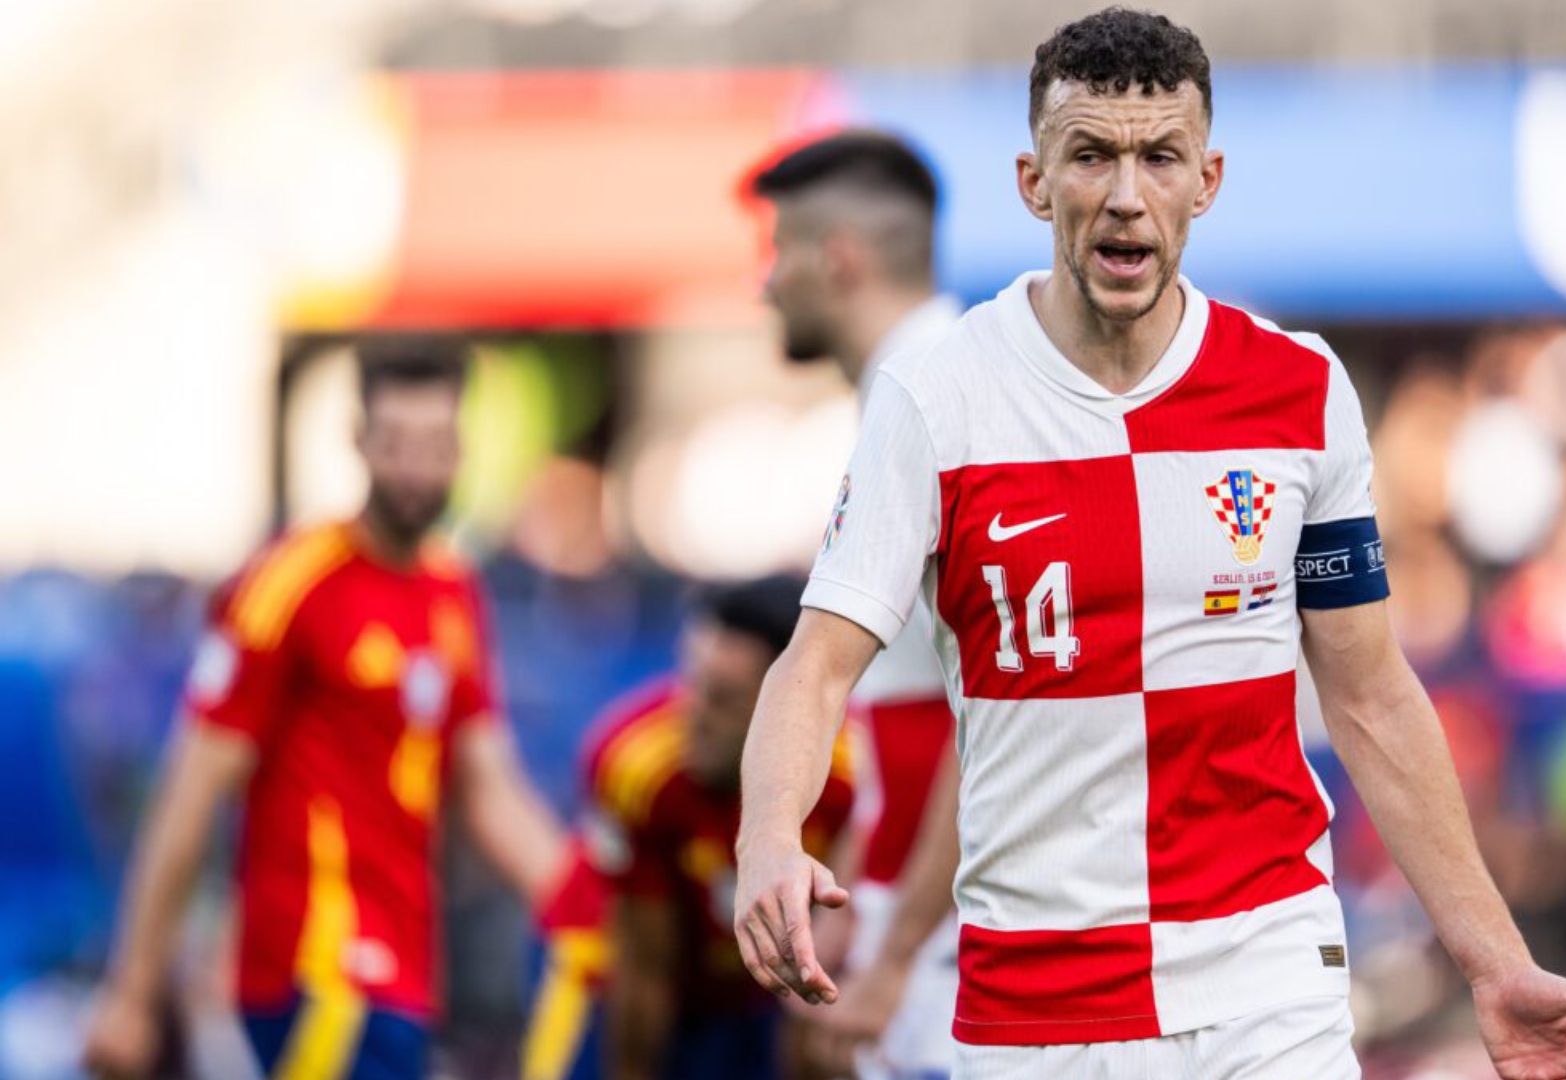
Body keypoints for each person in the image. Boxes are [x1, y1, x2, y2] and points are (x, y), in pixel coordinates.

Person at [732, 8, 1566, 1080]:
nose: (1127, 194)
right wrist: (768, 841)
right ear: (1033, 182)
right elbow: (816, 664)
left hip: (1267, 988)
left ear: (1206, 181)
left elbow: (1370, 695)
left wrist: (1495, 962)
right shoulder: (936, 397)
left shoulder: (1300, 390)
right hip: (1037, 1006)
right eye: (1091, 156)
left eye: (1160, 157)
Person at [83, 341, 567, 1080]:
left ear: (462, 448)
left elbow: (490, 788)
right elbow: (193, 787)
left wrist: (589, 906)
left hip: (407, 977)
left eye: (435, 446)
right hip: (316, 971)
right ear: (359, 441)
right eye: (396, 444)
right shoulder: (291, 583)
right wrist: (132, 992)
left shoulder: (453, 592)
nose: (416, 470)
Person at [749, 130, 964, 1080]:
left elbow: (998, 715)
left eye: (779, 250)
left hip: (960, 954)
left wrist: (900, 953)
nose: (766, 284)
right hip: (928, 930)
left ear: (838, 257)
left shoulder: (945, 400)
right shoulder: (909, 392)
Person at [526, 576, 858, 1080]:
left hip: (754, 985)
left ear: (785, 710)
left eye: (724, 699)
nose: (694, 716)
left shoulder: (849, 777)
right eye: (694, 684)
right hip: (611, 968)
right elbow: (644, 970)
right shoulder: (638, 766)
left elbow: (825, 970)